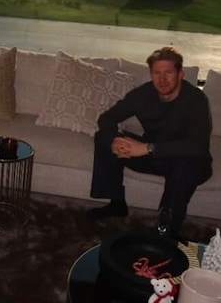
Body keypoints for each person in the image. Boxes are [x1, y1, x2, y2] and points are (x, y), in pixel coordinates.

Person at [87, 47, 212, 239]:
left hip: (189, 161)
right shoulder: (143, 95)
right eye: (157, 73)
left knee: (186, 165)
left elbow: (197, 145)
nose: (162, 79)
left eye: (168, 73)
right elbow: (107, 118)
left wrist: (146, 148)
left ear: (180, 74)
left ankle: (168, 229)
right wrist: (114, 140)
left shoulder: (196, 99)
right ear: (151, 74)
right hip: (153, 156)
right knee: (103, 137)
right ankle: (117, 203)